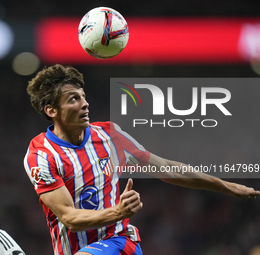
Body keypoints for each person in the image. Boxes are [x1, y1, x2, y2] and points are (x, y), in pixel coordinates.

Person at [23, 64, 260, 255]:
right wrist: (118, 211)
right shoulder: (41, 155)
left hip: (119, 242)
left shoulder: (110, 135)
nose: (85, 103)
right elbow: (69, 218)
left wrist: (225, 186)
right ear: (51, 110)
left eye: (83, 96)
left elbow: (167, 169)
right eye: (73, 99)